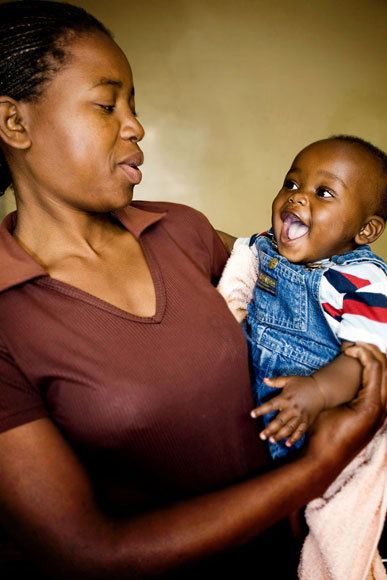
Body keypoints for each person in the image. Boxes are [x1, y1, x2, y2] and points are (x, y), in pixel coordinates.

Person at [0, 2, 385, 578]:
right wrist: (320, 464)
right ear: (15, 123)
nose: (135, 126)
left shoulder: (180, 230)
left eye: (135, 105)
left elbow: (321, 288)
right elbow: (84, 551)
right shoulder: (8, 316)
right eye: (108, 104)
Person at [218, 136, 387, 459]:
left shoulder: (363, 280)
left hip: (308, 420)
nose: (297, 198)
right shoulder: (267, 246)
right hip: (246, 407)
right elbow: (228, 246)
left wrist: (319, 392)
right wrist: (187, 228)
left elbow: (364, 359)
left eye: (323, 193)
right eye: (291, 184)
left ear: (366, 230)